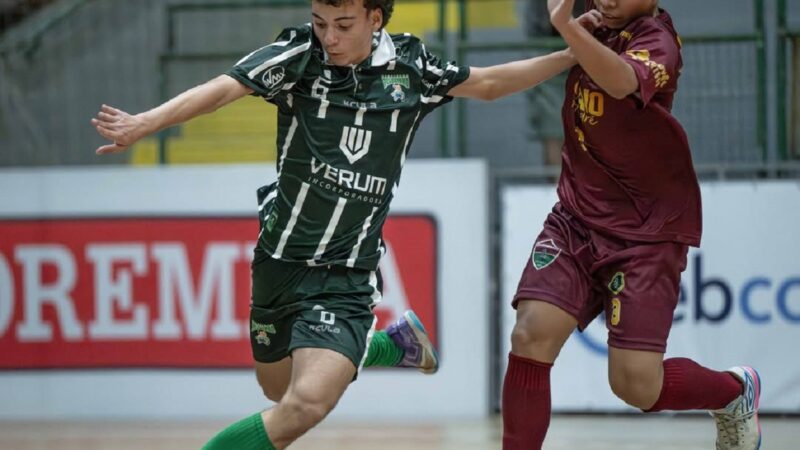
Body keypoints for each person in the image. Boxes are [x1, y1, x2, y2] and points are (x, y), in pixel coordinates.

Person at [91, 0, 597, 448]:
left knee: (305, 405)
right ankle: (388, 344)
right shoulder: (297, 55)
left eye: (343, 24)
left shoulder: (411, 67)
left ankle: (364, 339)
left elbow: (487, 84)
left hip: (346, 273)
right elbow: (226, 88)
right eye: (320, 22)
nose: (328, 37)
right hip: (278, 261)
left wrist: (571, 55)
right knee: (278, 389)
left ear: (375, 19)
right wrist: (146, 122)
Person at [502, 1, 761, 450]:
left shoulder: (658, 40)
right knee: (530, 334)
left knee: (635, 385)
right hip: (576, 217)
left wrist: (563, 25)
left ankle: (734, 391)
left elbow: (621, 80)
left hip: (647, 233)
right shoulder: (593, 17)